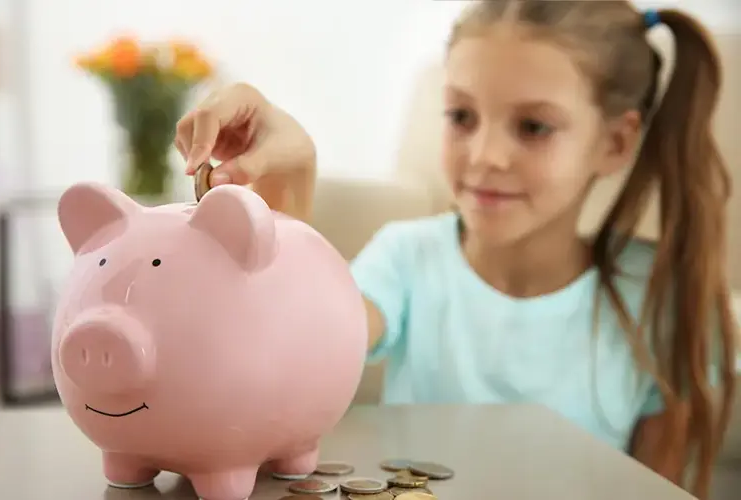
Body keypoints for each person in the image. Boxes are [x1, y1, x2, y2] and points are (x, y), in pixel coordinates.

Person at [174, 1, 737, 497]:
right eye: (461, 116)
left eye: (534, 127)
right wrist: (290, 187)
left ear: (615, 142)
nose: (485, 155)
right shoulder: (407, 258)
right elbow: (299, 346)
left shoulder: (660, 297)